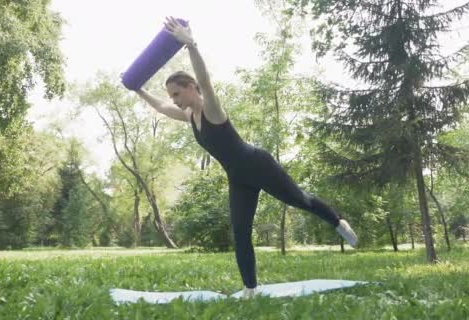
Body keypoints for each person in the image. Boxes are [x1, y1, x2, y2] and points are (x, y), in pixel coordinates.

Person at [134, 17, 358, 298]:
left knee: (300, 200)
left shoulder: (212, 110)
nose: (175, 99)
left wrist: (190, 44)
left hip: (258, 165)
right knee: (240, 232)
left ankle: (339, 222)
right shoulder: (190, 116)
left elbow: (206, 80)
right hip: (238, 177)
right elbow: (163, 108)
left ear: (191, 88)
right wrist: (139, 89)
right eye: (173, 95)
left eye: (177, 93)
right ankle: (250, 289)